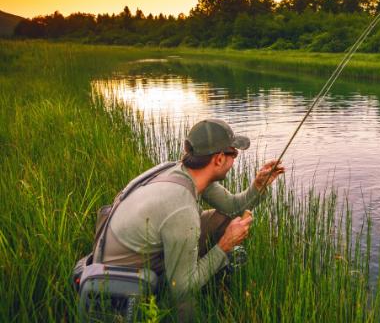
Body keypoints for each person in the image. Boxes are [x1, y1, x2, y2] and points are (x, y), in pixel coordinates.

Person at [96, 118, 284, 318]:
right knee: (185, 294)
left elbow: (232, 208)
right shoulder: (181, 208)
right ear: (219, 159)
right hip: (125, 281)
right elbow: (182, 287)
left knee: (224, 219)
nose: (234, 160)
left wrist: (259, 186)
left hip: (136, 252)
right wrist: (225, 245)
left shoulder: (183, 171)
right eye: (234, 154)